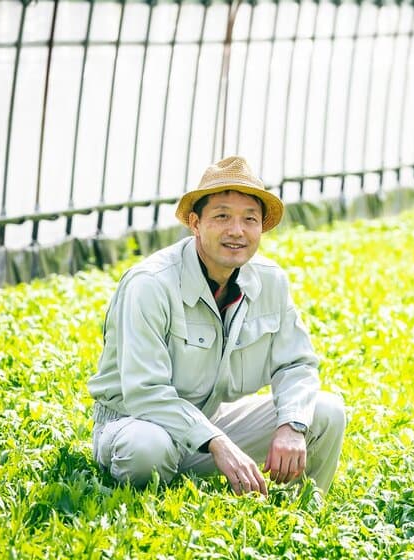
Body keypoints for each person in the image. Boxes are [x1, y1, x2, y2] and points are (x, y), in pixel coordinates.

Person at [88, 156, 346, 496]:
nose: (236, 231)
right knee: (147, 450)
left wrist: (291, 425)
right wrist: (217, 443)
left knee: (325, 411)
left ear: (261, 228)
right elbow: (145, 393)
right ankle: (153, 510)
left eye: (249, 219)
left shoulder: (271, 282)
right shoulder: (149, 284)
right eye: (222, 216)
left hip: (209, 423)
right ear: (195, 223)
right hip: (136, 423)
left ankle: (302, 514)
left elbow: (296, 364)